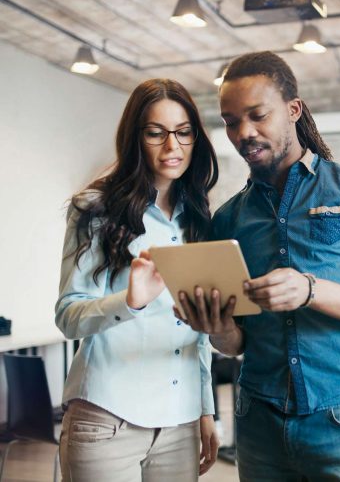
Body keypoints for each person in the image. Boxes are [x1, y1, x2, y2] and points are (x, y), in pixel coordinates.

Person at [175, 51, 340, 481]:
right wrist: (215, 326)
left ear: (293, 110)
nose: (244, 132)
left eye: (257, 115)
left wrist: (310, 289)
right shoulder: (227, 219)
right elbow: (235, 344)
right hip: (258, 419)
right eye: (230, 121)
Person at [55, 78, 220, 481]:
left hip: (179, 425)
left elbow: (194, 331)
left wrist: (205, 408)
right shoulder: (95, 209)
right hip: (107, 420)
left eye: (183, 133)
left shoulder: (197, 217)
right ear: (135, 137)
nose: (172, 147)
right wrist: (129, 302)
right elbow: (67, 315)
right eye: (155, 133)